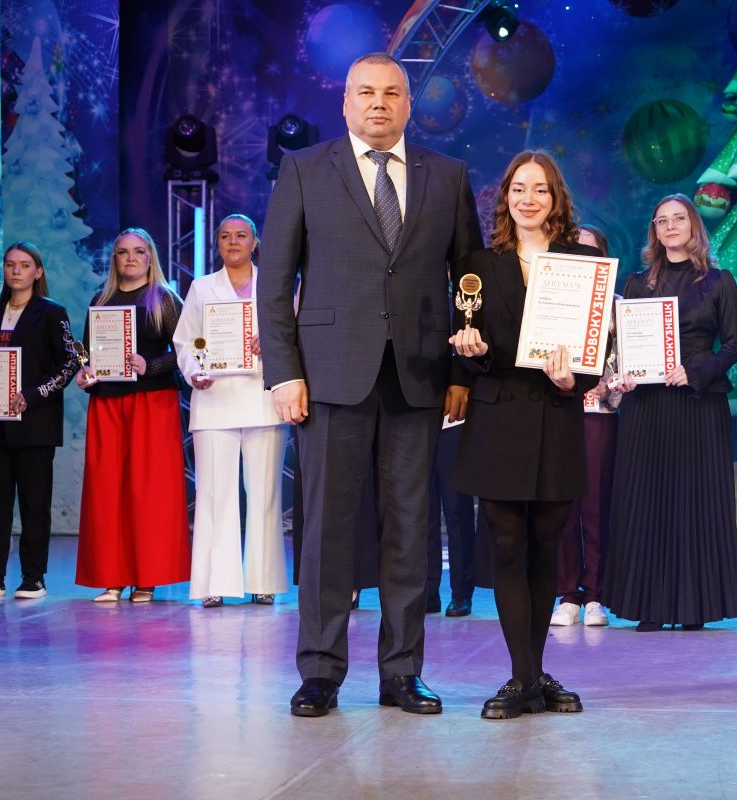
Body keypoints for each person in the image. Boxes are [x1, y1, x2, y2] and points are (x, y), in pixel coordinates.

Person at [258, 52, 481, 718]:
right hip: (328, 377)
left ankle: (402, 672)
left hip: (419, 378)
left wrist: (460, 373)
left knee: (411, 530)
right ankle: (320, 671)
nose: (378, 103)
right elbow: (275, 283)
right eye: (365, 92)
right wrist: (284, 372)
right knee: (326, 531)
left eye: (391, 93)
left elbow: (468, 284)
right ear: (346, 102)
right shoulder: (304, 169)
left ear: (409, 104)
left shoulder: (447, 176)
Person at [451, 150, 598, 719]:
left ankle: (532, 675)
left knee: (546, 550)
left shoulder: (582, 262)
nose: (528, 199)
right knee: (508, 548)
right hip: (499, 420)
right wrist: (472, 352)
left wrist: (572, 379)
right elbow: (465, 340)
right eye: (518, 188)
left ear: (555, 197)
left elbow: (595, 351)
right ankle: (524, 678)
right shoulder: (478, 265)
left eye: (539, 189)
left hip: (557, 417)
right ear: (505, 197)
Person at [602, 195, 737, 631]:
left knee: (695, 503)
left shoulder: (719, 282)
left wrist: (697, 371)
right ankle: (648, 606)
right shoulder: (637, 283)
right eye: (661, 220)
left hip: (698, 403)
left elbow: (734, 345)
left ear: (693, 225)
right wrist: (625, 375)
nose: (669, 226)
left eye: (678, 219)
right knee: (646, 501)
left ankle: (694, 607)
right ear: (654, 230)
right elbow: (625, 347)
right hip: (647, 406)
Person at [173, 214, 288, 609]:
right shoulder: (202, 287)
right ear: (217, 244)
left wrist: (272, 342)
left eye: (241, 235)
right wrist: (195, 372)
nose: (233, 242)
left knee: (265, 493)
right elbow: (186, 342)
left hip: (263, 398)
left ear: (255, 242)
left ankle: (263, 580)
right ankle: (214, 582)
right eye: (225, 236)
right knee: (214, 493)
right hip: (214, 400)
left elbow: (296, 334)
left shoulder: (274, 285)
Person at [74, 228, 190, 602]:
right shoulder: (101, 299)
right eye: (123, 252)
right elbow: (87, 352)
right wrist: (85, 373)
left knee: (149, 490)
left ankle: (147, 577)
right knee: (108, 490)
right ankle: (113, 576)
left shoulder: (164, 299)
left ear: (149, 256)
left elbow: (187, 353)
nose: (131, 258)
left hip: (152, 403)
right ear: (115, 259)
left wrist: (150, 365)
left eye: (138, 251)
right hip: (107, 402)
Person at [0, 242, 79, 600]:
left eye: (25, 265)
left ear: (37, 272)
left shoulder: (52, 312)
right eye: (10, 264)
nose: (16, 270)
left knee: (34, 504)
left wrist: (34, 394)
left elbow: (70, 363)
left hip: (34, 425)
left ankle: (33, 576)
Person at [551, 223, 620, 628]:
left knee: (595, 505)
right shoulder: (551, 300)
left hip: (598, 414)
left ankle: (595, 594)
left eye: (591, 251)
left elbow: (632, 365)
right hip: (557, 413)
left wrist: (613, 388)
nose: (583, 257)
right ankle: (567, 595)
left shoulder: (618, 307)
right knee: (562, 507)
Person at [426, 415, 477, 616]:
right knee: (423, 512)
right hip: (419, 422)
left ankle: (461, 593)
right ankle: (428, 592)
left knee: (457, 510)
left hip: (454, 420)